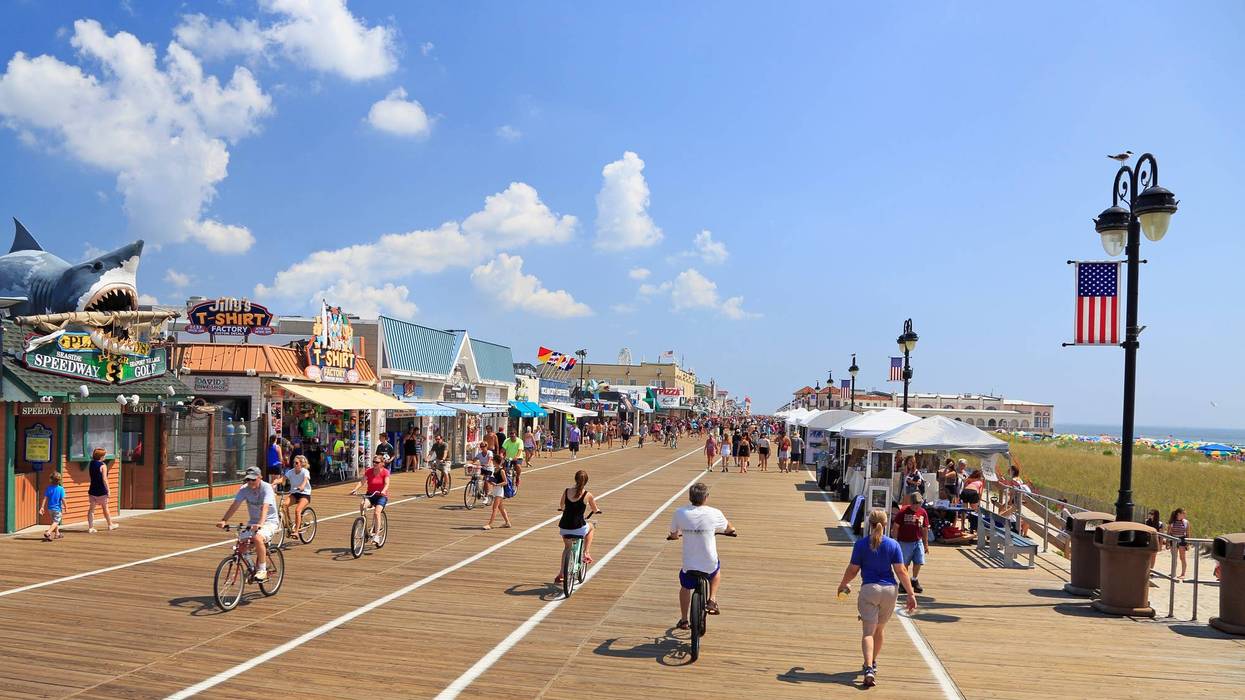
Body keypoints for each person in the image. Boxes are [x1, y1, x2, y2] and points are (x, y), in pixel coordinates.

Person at [837, 509, 918, 688]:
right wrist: (911, 594)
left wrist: (843, 584)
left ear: (869, 523)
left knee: (868, 632)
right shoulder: (893, 545)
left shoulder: (861, 544)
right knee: (879, 630)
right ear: (886, 523)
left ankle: (868, 669)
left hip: (870, 589)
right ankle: (873, 662)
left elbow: (853, 569)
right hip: (889, 590)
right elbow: (901, 570)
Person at [667, 483, 735, 630]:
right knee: (716, 572)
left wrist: (674, 536)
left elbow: (673, 534)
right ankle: (712, 599)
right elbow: (729, 528)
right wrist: (731, 530)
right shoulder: (715, 513)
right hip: (708, 562)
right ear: (706, 497)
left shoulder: (680, 512)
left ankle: (684, 620)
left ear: (690, 497)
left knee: (685, 586)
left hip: (689, 563)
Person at [216, 467, 279, 581]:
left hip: (269, 521)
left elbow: (265, 508)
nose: (250, 482)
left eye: (253, 480)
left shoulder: (267, 488)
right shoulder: (244, 489)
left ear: (260, 477)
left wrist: (260, 524)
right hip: (253, 522)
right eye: (248, 480)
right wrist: (224, 520)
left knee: (257, 538)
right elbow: (235, 505)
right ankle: (251, 567)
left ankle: (262, 570)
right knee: (241, 545)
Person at [555, 470, 600, 583]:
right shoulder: (587, 495)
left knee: (567, 548)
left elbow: (561, 505)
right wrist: (597, 510)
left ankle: (561, 573)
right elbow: (594, 509)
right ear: (586, 482)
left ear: (575, 479)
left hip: (564, 526)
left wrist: (564, 509)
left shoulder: (566, 491)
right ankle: (586, 552)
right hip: (578, 527)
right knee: (591, 527)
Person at [892, 492, 930, 593]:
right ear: (911, 503)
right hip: (904, 541)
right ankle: (903, 582)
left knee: (919, 561)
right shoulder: (903, 512)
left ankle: (914, 579)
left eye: (919, 503)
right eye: (914, 503)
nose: (916, 506)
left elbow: (925, 528)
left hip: (918, 541)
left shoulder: (923, 512)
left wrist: (926, 544)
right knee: (905, 563)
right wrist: (895, 541)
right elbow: (896, 527)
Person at [350, 456, 391, 544]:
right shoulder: (369, 471)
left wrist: (383, 491)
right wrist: (355, 489)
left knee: (377, 512)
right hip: (370, 495)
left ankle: (376, 535)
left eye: (377, 462)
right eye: (374, 462)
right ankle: (363, 524)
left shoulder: (385, 472)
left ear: (382, 464)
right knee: (362, 504)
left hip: (381, 496)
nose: (375, 464)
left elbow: (387, 483)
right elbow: (362, 481)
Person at [86, 447, 117, 533]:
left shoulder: (91, 463)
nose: (105, 456)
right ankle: (110, 524)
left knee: (91, 509)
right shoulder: (103, 465)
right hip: (101, 490)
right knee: (105, 508)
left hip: (92, 490)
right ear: (101, 456)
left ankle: (90, 527)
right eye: (104, 455)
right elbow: (104, 479)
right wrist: (108, 490)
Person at [282, 455, 313, 535]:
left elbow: (305, 480)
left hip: (304, 494)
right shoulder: (290, 472)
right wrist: (274, 483)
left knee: (297, 510)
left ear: (301, 464)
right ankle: (289, 523)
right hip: (295, 493)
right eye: (294, 463)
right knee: (284, 505)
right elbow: (283, 479)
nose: (294, 464)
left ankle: (296, 531)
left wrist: (302, 486)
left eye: (296, 463)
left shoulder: (305, 471)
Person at [483, 453, 512, 530]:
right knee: (501, 507)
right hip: (495, 489)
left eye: (493, 461)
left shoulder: (501, 470)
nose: (492, 462)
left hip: (499, 490)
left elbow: (505, 482)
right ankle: (507, 522)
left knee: (494, 508)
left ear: (496, 461)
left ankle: (490, 524)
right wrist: (490, 481)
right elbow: (495, 480)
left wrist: (497, 484)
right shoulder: (495, 470)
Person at [39, 471, 66, 541]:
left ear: (51, 480)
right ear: (59, 480)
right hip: (57, 509)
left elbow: (45, 498)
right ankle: (48, 532)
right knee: (56, 522)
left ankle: (57, 534)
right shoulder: (61, 489)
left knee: (54, 521)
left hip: (50, 509)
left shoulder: (49, 488)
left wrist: (42, 507)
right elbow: (63, 499)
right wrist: (66, 507)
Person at [1167, 508, 1190, 580]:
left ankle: (1183, 574)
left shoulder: (1186, 522)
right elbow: (1169, 532)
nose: (1185, 515)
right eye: (1184, 513)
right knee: (1174, 557)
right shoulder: (1172, 522)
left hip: (1182, 540)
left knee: (1182, 557)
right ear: (1179, 514)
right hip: (1173, 540)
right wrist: (1168, 542)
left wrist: (1188, 543)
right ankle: (1173, 572)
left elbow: (1188, 533)